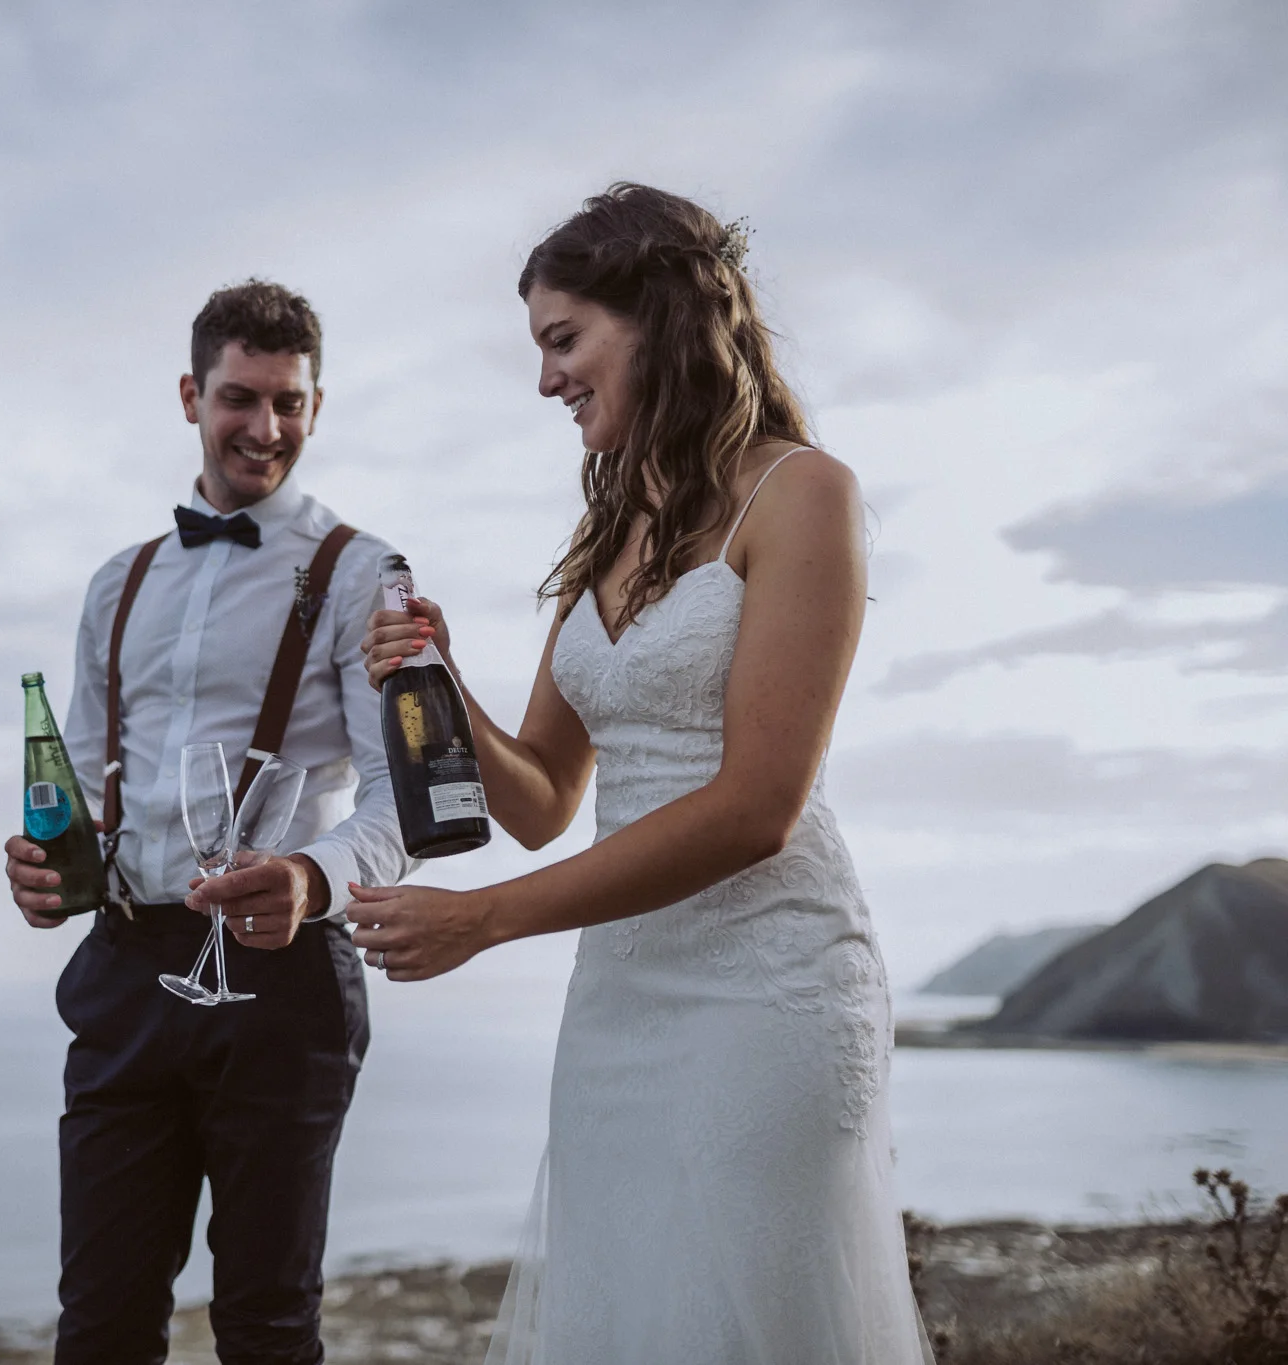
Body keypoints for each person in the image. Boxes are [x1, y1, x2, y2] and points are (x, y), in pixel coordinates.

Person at [351, 185, 934, 1362]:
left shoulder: (800, 496)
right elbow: (541, 801)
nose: (545, 380)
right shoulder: (602, 542)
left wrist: (483, 924)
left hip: (765, 992)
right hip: (619, 1004)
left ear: (658, 316)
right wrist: (441, 680)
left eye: (563, 341)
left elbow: (755, 808)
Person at [3, 279, 412, 1365]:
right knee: (97, 1329)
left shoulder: (360, 573)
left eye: (289, 403)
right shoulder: (117, 582)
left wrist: (311, 880)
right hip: (125, 972)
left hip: (279, 989)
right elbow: (88, 784)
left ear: (315, 407)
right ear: (191, 394)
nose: (265, 429)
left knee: (267, 1330)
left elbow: (399, 800)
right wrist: (47, 876)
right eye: (240, 398)